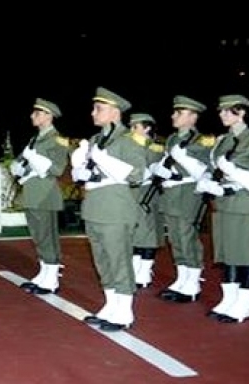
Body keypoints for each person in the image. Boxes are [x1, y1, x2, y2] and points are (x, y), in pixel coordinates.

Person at [72, 87, 147, 332]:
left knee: (118, 259)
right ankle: (111, 304)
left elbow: (137, 174)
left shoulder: (128, 140)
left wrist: (102, 159)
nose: (93, 112)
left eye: (99, 108)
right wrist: (82, 173)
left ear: (115, 112)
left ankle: (124, 310)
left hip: (116, 209)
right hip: (94, 207)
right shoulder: (96, 140)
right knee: (102, 260)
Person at [195, 94, 249, 323]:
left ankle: (244, 304)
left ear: (242, 113)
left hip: (245, 206)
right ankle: (229, 300)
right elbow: (214, 169)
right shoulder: (222, 141)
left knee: (248, 254)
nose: (222, 114)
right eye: (221, 111)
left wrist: (234, 173)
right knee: (227, 253)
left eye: (227, 111)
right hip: (224, 205)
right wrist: (210, 183)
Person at [151, 96, 214, 303]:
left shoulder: (202, 140)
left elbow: (207, 170)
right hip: (170, 192)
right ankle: (182, 279)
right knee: (175, 237)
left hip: (188, 191)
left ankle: (193, 282)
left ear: (192, 117)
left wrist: (183, 161)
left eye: (179, 113)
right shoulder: (171, 139)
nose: (173, 116)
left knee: (187, 235)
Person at [9, 98, 70, 295]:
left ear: (48, 116)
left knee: (46, 236)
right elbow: (21, 161)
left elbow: (58, 169)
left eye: (37, 113)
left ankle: (51, 278)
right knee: (38, 236)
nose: (32, 116)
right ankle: (44, 273)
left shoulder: (57, 139)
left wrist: (33, 158)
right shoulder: (35, 139)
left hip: (45, 194)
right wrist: (17, 167)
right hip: (32, 193)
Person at [127, 113, 166, 288]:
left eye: (136, 126)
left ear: (147, 128)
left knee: (148, 234)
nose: (131, 130)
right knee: (135, 234)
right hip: (133, 193)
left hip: (147, 193)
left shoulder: (154, 148)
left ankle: (144, 272)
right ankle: (136, 270)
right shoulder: (131, 146)